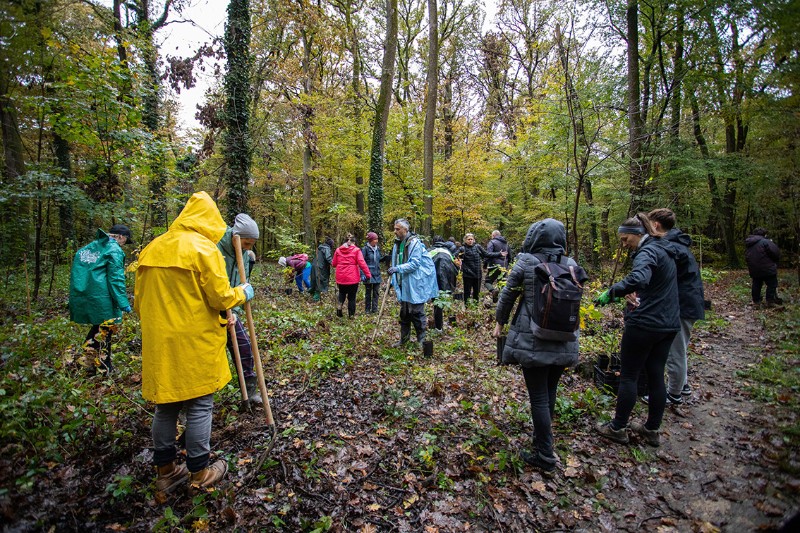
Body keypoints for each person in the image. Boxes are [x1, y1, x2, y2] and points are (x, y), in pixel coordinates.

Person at [135, 192, 255, 498]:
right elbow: (221, 298)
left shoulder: (152, 248)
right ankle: (200, 470)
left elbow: (138, 301)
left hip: (160, 340)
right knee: (200, 404)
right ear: (210, 220)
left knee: (167, 405)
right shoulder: (203, 249)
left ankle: (165, 471)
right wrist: (243, 292)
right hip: (194, 340)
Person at [492, 219, 587, 473]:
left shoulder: (526, 261)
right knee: (549, 391)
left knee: (539, 397)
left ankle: (544, 453)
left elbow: (508, 293)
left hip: (533, 338)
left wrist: (499, 323)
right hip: (565, 337)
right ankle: (541, 442)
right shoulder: (571, 264)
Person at [594, 213, 680, 448]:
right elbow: (656, 283)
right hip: (668, 323)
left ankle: (618, 427)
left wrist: (612, 292)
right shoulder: (666, 249)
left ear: (638, 234)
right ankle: (652, 430)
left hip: (645, 324)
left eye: (625, 239)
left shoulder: (647, 251)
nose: (624, 244)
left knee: (629, 375)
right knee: (655, 374)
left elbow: (640, 277)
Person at [648, 208, 705, 403]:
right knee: (679, 348)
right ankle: (683, 386)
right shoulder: (677, 244)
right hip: (687, 303)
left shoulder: (670, 248)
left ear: (655, 225)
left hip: (682, 306)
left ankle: (674, 394)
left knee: (675, 351)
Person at [69, 224, 133, 374]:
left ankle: (90, 362)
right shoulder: (114, 250)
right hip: (103, 297)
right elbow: (115, 279)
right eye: (125, 241)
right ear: (121, 237)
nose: (124, 244)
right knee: (105, 330)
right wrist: (123, 303)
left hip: (84, 294)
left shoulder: (89, 247)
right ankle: (104, 365)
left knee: (98, 328)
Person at [217, 213, 262, 406]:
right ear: (236, 237)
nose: (248, 249)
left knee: (244, 347)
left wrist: (235, 312)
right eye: (246, 244)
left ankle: (249, 392)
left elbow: (240, 283)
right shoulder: (215, 248)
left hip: (231, 308)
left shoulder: (243, 254)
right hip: (213, 308)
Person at [387, 219, 438, 347]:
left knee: (417, 312)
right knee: (404, 313)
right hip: (403, 283)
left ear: (406, 229)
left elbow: (415, 264)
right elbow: (396, 261)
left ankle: (421, 340)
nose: (395, 231)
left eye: (398, 229)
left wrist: (397, 269)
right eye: (395, 229)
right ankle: (404, 340)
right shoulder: (398, 244)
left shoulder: (414, 243)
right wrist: (394, 277)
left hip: (415, 283)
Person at [332, 233, 371, 318]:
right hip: (352, 278)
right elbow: (362, 263)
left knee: (342, 293)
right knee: (352, 297)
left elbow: (334, 264)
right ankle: (351, 315)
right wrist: (368, 274)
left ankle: (339, 307)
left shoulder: (338, 250)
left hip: (341, 277)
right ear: (354, 242)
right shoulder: (356, 250)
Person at [457, 233, 503, 304]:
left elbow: (487, 254)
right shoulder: (462, 249)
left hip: (477, 274)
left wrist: (499, 254)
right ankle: (467, 308)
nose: (470, 241)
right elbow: (454, 256)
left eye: (471, 239)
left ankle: (475, 307)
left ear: (474, 240)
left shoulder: (477, 247)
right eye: (468, 239)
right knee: (467, 292)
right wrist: (458, 261)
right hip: (467, 274)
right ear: (465, 240)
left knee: (476, 292)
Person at [744, 228, 782, 306]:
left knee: (756, 284)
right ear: (764, 234)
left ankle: (756, 301)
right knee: (772, 284)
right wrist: (774, 262)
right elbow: (775, 252)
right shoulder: (766, 242)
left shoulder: (749, 243)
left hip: (754, 268)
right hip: (767, 267)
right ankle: (770, 301)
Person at [429, 236, 459, 331]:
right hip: (446, 280)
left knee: (437, 303)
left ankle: (438, 327)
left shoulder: (429, 251)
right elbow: (454, 268)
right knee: (442, 301)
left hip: (434, 280)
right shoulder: (448, 252)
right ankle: (441, 325)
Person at [362, 232, 387, 314]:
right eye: (375, 239)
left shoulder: (377, 249)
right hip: (368, 274)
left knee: (376, 293)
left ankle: (375, 310)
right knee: (368, 293)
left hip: (377, 273)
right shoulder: (365, 249)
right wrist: (362, 274)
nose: (376, 241)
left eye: (377, 239)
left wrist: (385, 258)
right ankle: (367, 310)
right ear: (370, 240)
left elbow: (378, 260)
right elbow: (361, 262)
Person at [310, 237, 335, 301]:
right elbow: (328, 257)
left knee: (314, 279)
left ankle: (311, 292)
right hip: (320, 267)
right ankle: (316, 297)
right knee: (320, 280)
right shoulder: (326, 248)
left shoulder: (320, 248)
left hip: (314, 265)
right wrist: (333, 264)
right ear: (330, 244)